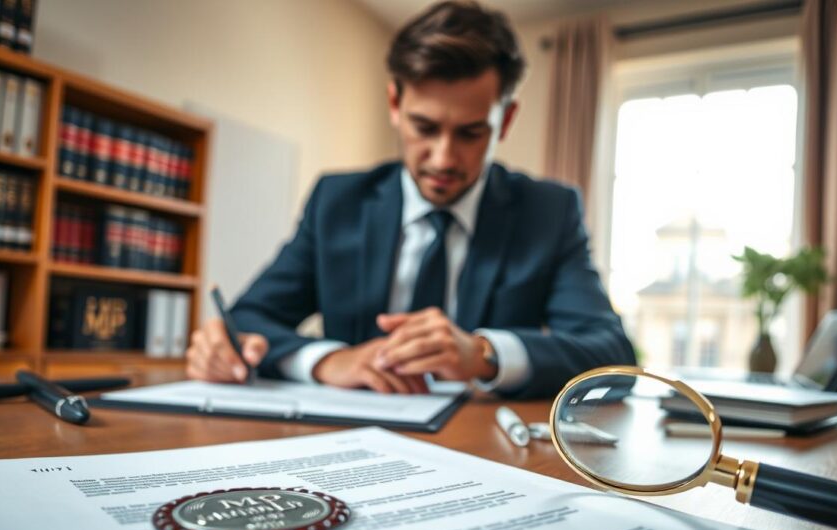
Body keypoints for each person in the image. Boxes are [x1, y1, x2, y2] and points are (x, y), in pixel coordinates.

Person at [186, 0, 635, 399]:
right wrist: (328, 361)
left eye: (470, 133)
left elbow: (612, 355)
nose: (443, 158)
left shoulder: (549, 213)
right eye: (424, 127)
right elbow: (248, 320)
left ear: (506, 119)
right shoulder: (336, 202)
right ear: (395, 105)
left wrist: (485, 353)